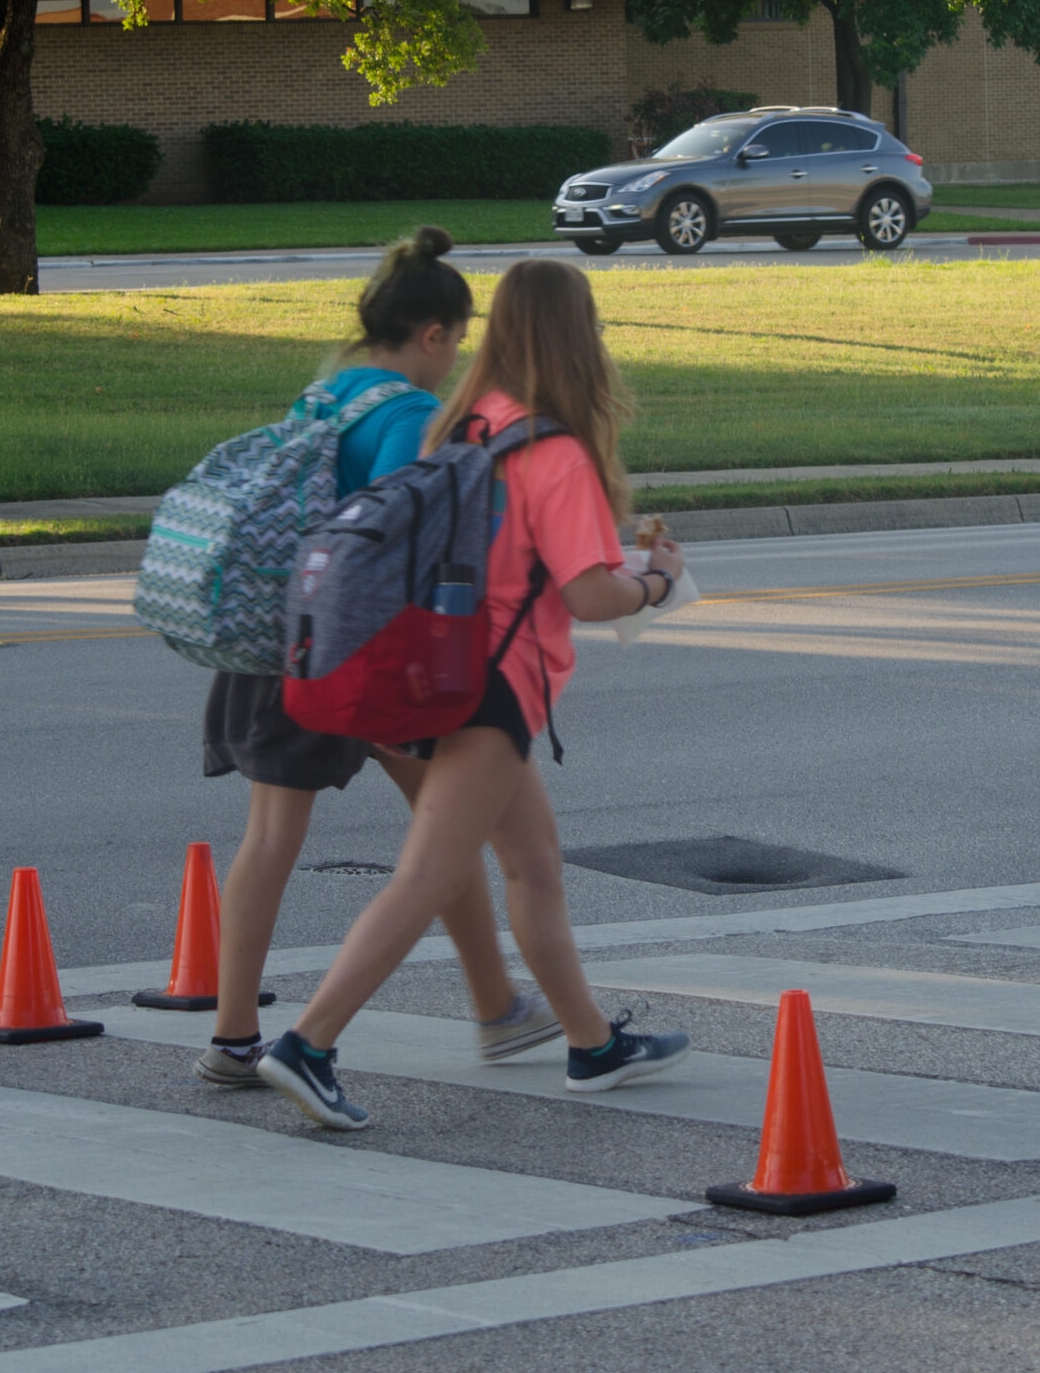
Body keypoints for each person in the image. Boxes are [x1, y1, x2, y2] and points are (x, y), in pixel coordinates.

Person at [258, 258, 689, 1130]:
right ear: (578, 337)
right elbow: (587, 594)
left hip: (447, 663)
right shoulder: (555, 450)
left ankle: (591, 1043)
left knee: (533, 866)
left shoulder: (470, 422)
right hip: (495, 685)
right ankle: (307, 1044)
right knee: (428, 874)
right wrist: (656, 584)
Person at [193, 229, 559, 1089]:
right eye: (457, 339)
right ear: (431, 335)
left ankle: (233, 1035)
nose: (459, 356)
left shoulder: (329, 393)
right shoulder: (403, 413)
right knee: (445, 829)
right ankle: (496, 1006)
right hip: (359, 652)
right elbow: (399, 528)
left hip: (280, 637)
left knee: (276, 836)